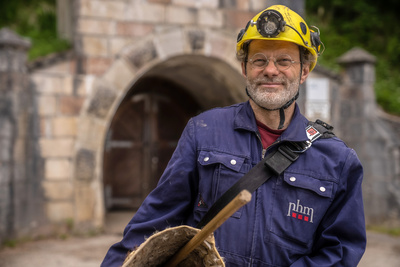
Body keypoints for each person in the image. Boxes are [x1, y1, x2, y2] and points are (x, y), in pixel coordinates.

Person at [101, 5, 366, 267]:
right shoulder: (204, 131)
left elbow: (339, 253)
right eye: (259, 60)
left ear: (304, 71)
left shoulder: (338, 161)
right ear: (244, 69)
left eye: (284, 61)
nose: (270, 70)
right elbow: (156, 220)